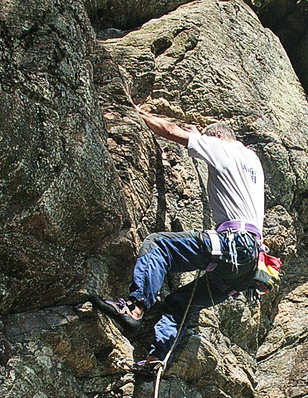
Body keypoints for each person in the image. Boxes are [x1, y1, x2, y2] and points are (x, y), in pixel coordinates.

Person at [91, 102, 265, 377]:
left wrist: (139, 115)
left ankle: (135, 308)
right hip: (248, 267)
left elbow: (172, 132)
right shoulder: (251, 159)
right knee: (179, 304)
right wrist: (201, 135)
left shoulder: (222, 148)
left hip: (233, 243)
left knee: (158, 246)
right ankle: (156, 359)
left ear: (218, 137)